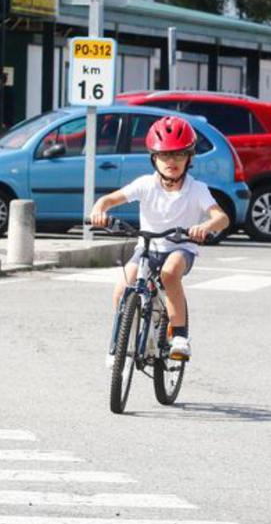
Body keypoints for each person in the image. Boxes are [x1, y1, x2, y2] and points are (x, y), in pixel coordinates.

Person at [89, 116, 229, 362]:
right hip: (147, 247)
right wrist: (99, 209)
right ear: (154, 158)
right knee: (122, 288)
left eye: (179, 155)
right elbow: (110, 199)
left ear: (190, 158)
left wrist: (205, 226)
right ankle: (124, 344)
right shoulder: (146, 184)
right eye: (164, 156)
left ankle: (180, 337)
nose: (171, 162)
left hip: (180, 247)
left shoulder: (196, 189)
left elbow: (222, 218)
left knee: (169, 272)